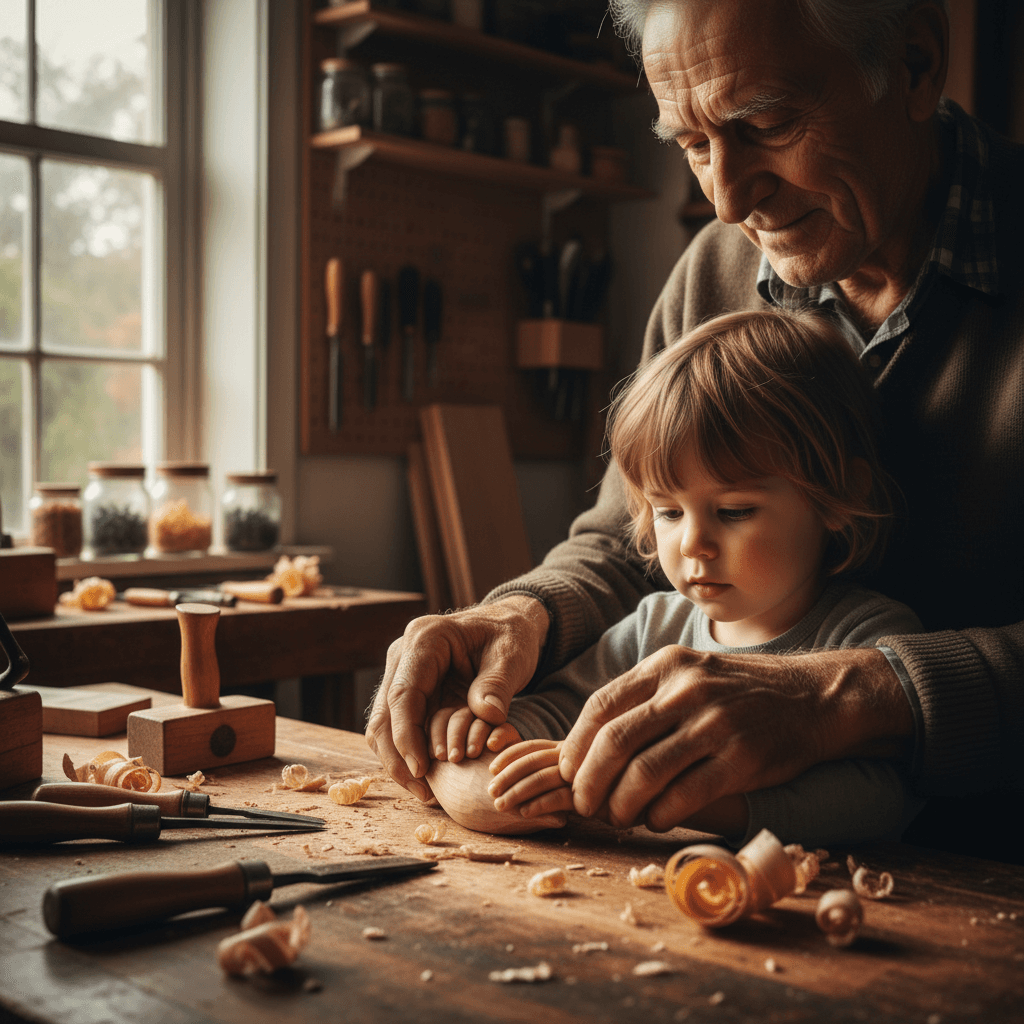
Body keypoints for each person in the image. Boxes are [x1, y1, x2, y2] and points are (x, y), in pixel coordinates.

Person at [366, 0, 1024, 860]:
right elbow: (622, 539)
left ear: (914, 65)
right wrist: (521, 618)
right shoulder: (718, 269)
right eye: (690, 142)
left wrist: (844, 698)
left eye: (768, 123)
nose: (725, 198)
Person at [428, 308, 923, 847]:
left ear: (840, 497)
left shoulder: (869, 638)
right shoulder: (654, 626)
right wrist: (492, 730)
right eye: (668, 511)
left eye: (734, 512)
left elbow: (879, 801)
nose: (693, 544)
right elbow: (566, 707)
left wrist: (687, 799)